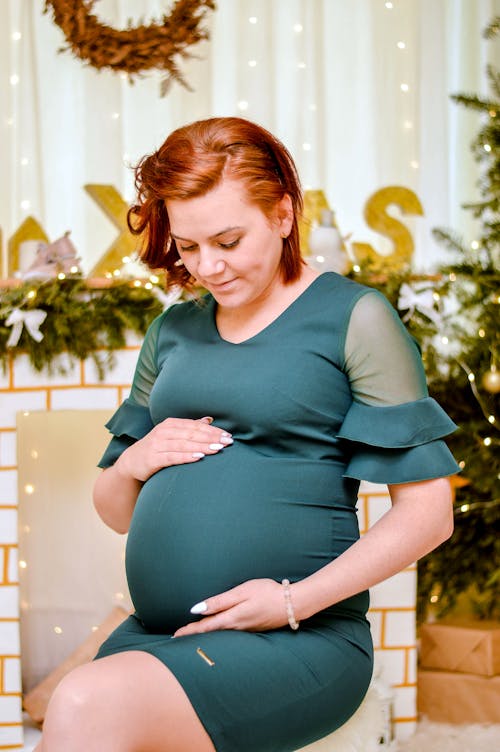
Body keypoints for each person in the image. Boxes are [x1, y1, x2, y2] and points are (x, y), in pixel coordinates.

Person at [36, 116, 459, 752]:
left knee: (79, 702)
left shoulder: (353, 317)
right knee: (75, 720)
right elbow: (115, 511)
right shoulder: (173, 331)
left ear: (284, 214)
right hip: (159, 637)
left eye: (229, 240)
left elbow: (430, 515)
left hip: (296, 638)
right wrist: (134, 462)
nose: (208, 266)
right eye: (189, 245)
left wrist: (293, 601)